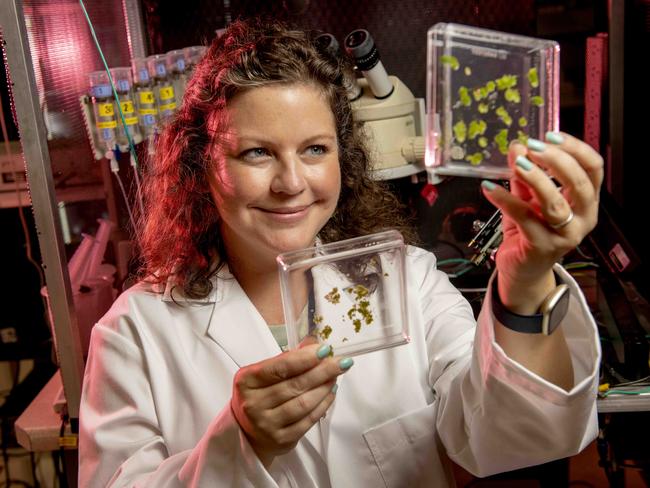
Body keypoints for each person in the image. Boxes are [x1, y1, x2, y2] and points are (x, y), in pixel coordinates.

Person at [79, 19, 603, 487]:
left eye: (314, 150)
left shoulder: (407, 283)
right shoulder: (136, 332)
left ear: (342, 157)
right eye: (256, 152)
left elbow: (510, 436)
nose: (291, 183)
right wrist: (237, 444)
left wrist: (527, 279)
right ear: (202, 164)